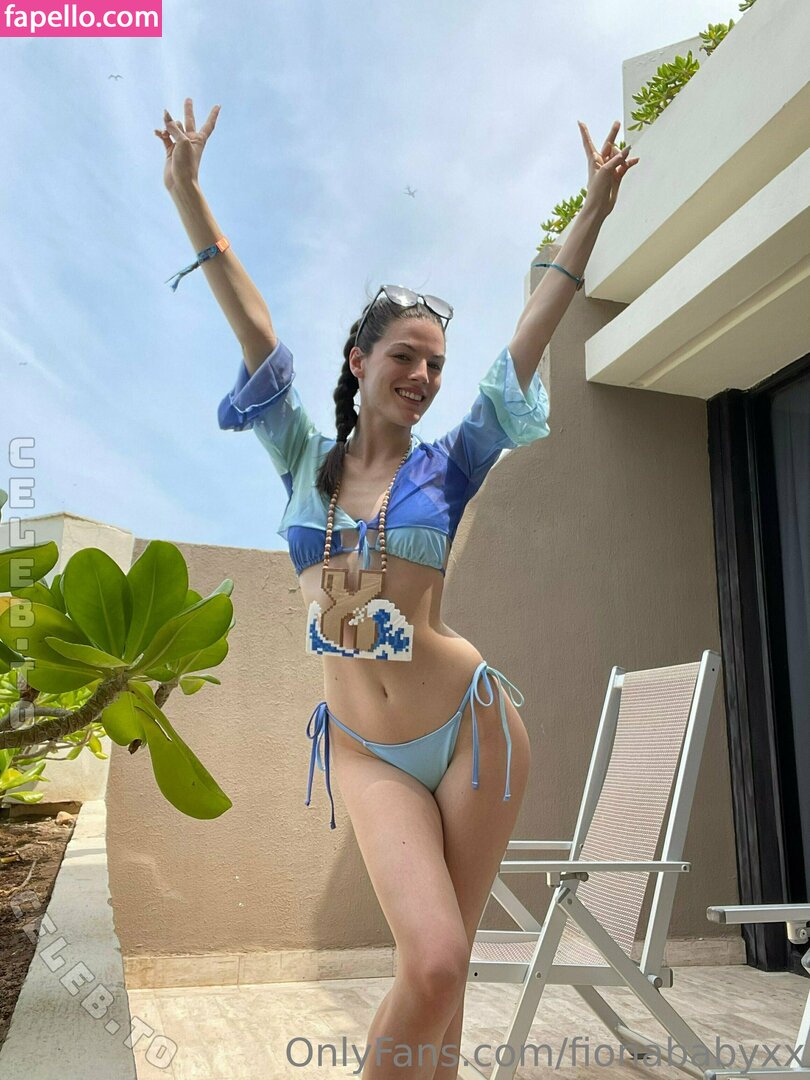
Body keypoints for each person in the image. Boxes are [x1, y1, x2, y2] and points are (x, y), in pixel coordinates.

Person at [157, 98, 638, 1080]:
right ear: (360, 362)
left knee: (441, 978)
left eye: (434, 364)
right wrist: (189, 194)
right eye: (404, 356)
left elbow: (529, 337)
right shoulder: (302, 458)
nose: (422, 375)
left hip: (471, 729)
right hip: (363, 746)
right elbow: (257, 333)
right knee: (435, 962)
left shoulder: (453, 463)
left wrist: (592, 208)